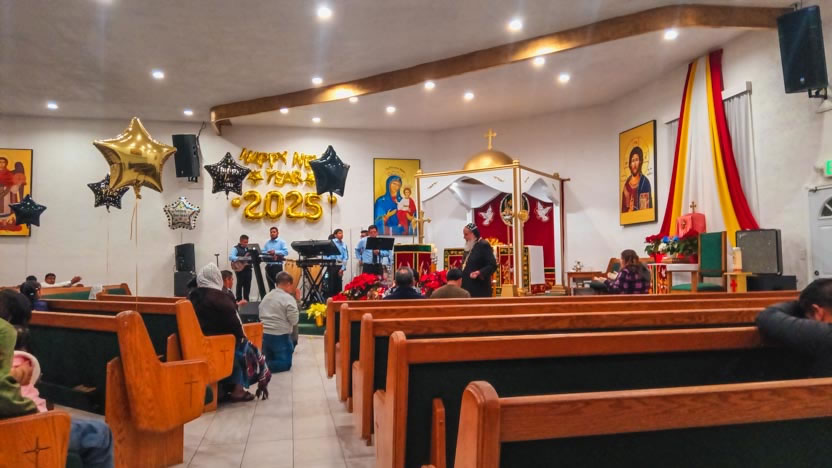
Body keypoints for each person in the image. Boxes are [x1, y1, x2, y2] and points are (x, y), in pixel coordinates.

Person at [0, 289, 115, 468]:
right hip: (22, 429)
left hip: (19, 424)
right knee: (99, 432)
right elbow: (12, 403)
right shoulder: (16, 352)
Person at [188, 264, 254, 402]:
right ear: (217, 278)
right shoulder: (219, 298)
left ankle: (223, 388)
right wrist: (242, 337)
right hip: (215, 343)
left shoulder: (192, 296)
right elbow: (235, 325)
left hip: (194, 341)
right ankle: (238, 389)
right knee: (243, 347)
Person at [756, 279, 832, 376]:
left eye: (807, 317)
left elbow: (767, 315)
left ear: (817, 311)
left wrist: (799, 302)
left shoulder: (824, 335)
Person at [258, 272, 299, 373]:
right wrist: (298, 301)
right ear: (288, 284)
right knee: (286, 364)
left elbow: (260, 313)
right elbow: (294, 320)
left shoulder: (267, 296)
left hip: (264, 334)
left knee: (269, 356)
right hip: (280, 335)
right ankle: (260, 368)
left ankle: (263, 363)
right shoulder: (288, 298)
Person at [461, 223, 497, 298]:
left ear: (473, 234)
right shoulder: (469, 246)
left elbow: (492, 265)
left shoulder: (483, 245)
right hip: (466, 288)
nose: (464, 237)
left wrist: (479, 272)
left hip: (480, 289)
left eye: (466, 234)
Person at [621, 146, 652, 213]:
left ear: (640, 162)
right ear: (630, 164)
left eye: (636, 160)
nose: (634, 164)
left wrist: (634, 209)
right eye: (632, 161)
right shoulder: (626, 186)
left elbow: (645, 211)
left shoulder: (644, 182)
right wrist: (630, 210)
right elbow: (623, 212)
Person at [263, 226, 289, 290]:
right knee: (271, 287)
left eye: (274, 232)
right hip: (268, 266)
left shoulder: (281, 242)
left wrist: (275, 252)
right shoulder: (267, 243)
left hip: (277, 266)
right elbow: (263, 252)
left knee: (279, 286)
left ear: (277, 233)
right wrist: (267, 253)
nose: (272, 233)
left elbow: (286, 252)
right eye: (271, 232)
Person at [325, 228, 349, 297]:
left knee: (339, 284)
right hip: (332, 265)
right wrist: (329, 261)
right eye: (339, 233)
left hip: (340, 266)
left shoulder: (344, 244)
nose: (341, 234)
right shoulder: (331, 243)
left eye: (342, 233)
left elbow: (345, 257)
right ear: (335, 235)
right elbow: (326, 254)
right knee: (331, 284)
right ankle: (331, 299)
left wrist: (343, 268)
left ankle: (338, 299)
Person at [229, 234, 252, 302]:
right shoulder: (235, 248)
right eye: (245, 242)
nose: (246, 243)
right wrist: (241, 258)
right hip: (239, 269)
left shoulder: (248, 248)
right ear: (241, 241)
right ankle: (238, 300)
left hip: (248, 268)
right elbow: (231, 257)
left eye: (247, 242)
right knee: (240, 284)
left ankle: (246, 300)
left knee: (247, 285)